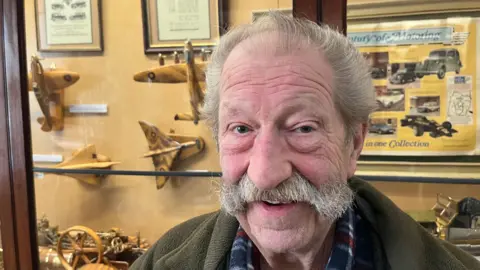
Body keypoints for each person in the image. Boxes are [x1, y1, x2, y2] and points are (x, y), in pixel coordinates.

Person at [131, 11, 480, 270]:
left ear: (353, 144)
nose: (265, 173)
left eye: (303, 128)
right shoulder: (163, 261)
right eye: (241, 129)